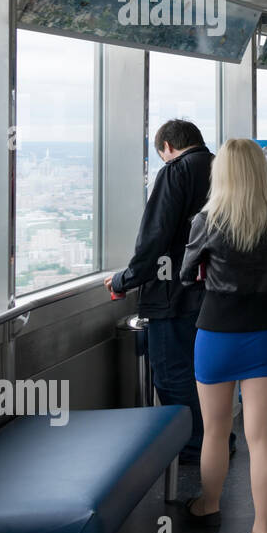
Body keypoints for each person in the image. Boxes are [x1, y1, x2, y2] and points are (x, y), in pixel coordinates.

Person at [179, 138, 267, 533]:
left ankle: (208, 505)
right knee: (261, 437)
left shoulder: (207, 220)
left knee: (215, 429)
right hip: (263, 333)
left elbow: (186, 274)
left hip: (216, 334)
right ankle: (261, 532)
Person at [105, 119, 233, 464]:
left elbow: (156, 235)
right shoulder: (224, 169)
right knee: (206, 372)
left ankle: (195, 447)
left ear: (168, 148)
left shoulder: (175, 171)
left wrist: (126, 279)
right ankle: (221, 440)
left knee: (173, 373)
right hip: (216, 291)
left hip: (173, 293)